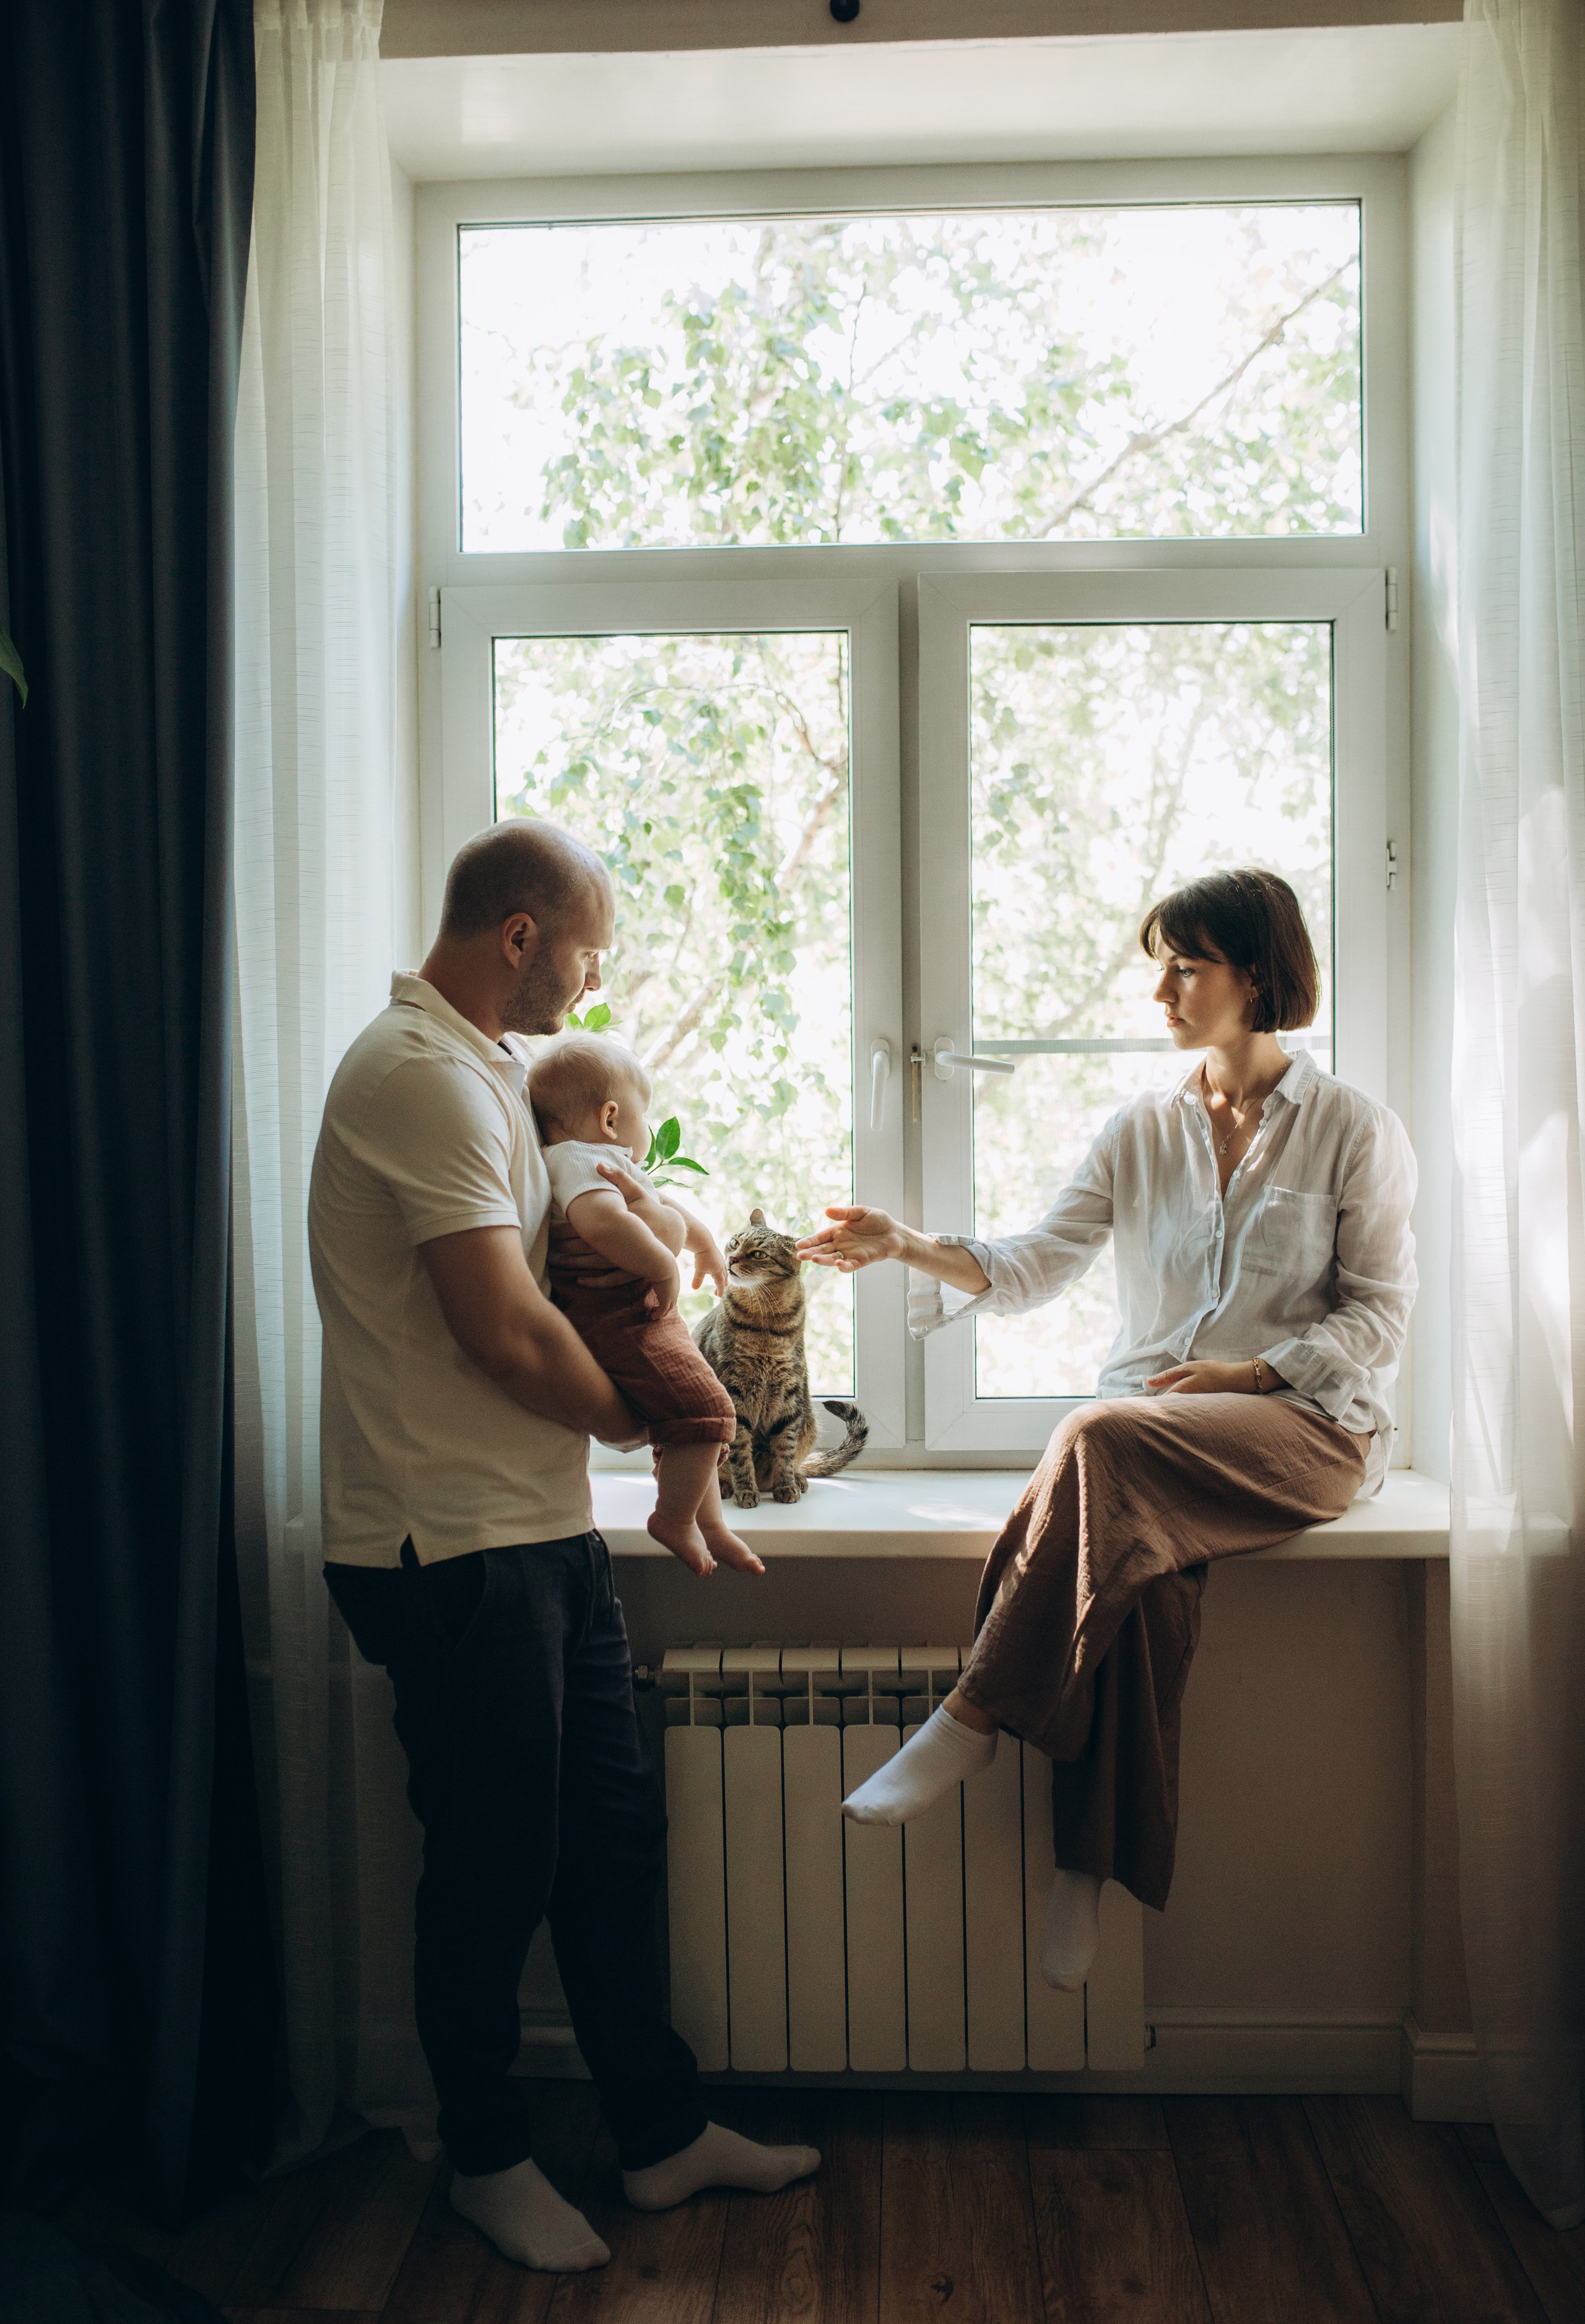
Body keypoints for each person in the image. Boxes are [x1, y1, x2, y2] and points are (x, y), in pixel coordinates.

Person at [308, 818, 814, 2276]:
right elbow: (506, 1330)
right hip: (441, 1542)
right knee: (492, 1862)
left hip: (533, 1532)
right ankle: (483, 2155)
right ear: (520, 934)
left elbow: (590, 1245)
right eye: (588, 950)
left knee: (605, 1838)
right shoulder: (414, 1075)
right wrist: (656, 1425)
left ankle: (655, 2135)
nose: (594, 984)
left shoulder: (496, 1075)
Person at [797, 867, 1416, 1988]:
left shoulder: (1354, 1129)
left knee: (1097, 1435)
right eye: (1159, 964)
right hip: (1161, 1437)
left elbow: (1381, 1313)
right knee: (1137, 1583)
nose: (1162, 989)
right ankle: (1085, 1867)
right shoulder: (1139, 1129)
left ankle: (973, 1713)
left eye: (1186, 964)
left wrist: (1255, 1365)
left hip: (1306, 1428)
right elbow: (1037, 1262)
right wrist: (903, 1243)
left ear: (1259, 974)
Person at [528, 1033, 747, 1573]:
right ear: (610, 1118)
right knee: (709, 1411)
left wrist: (705, 1247)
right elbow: (603, 1222)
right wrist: (662, 1265)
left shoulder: (599, 1159)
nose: (647, 1128)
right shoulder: (580, 1161)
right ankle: (673, 1519)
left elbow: (662, 1204)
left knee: (692, 1418)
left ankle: (709, 1524)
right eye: (643, 1115)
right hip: (618, 1316)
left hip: (637, 1312)